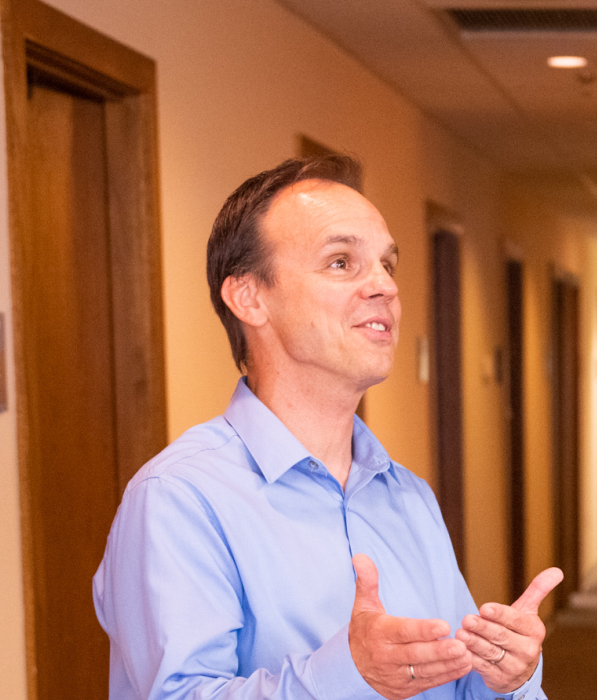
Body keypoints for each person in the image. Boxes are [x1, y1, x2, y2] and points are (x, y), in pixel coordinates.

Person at [94, 155, 558, 700]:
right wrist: (347, 675)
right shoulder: (178, 499)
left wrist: (506, 680)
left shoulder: (410, 498)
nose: (384, 285)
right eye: (341, 262)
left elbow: (453, 685)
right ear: (249, 297)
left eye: (387, 264)